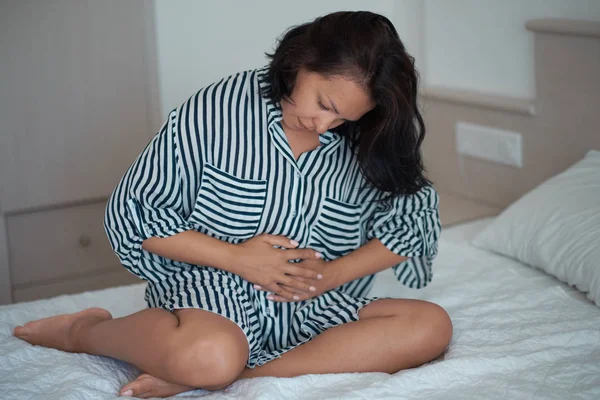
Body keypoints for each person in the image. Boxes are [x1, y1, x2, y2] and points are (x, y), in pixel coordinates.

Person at [13, 11, 451, 398]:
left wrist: (332, 274)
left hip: (313, 303)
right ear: (301, 61)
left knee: (432, 327)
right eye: (323, 104)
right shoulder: (217, 108)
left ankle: (239, 374)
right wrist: (241, 259)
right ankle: (84, 330)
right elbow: (137, 211)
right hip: (215, 290)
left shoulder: (364, 137)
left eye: (343, 119)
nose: (325, 124)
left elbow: (413, 221)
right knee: (209, 354)